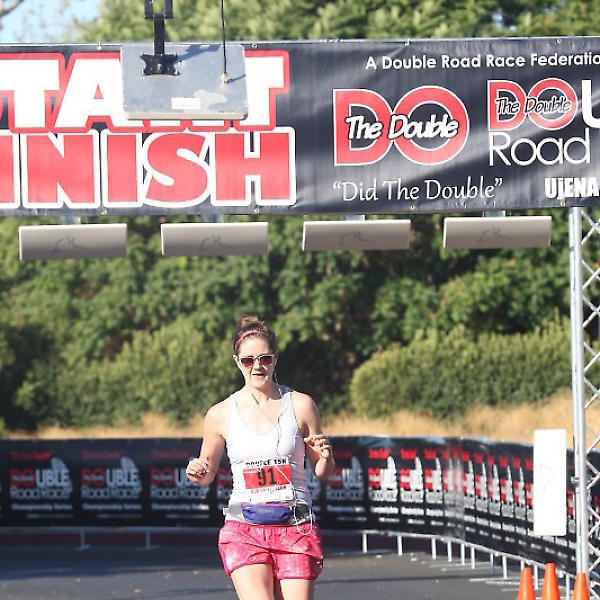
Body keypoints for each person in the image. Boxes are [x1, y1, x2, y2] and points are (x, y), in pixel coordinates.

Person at [186, 315, 335, 600]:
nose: (257, 366)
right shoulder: (219, 414)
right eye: (248, 360)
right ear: (237, 362)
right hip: (245, 526)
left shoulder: (301, 405)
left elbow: (322, 471)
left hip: (295, 525)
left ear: (275, 359)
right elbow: (206, 473)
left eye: (264, 359)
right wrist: (196, 471)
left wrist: (326, 456)